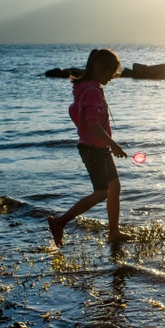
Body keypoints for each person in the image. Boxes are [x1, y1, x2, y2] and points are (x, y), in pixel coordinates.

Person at [48, 48, 130, 246]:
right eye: (111, 71)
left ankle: (113, 232)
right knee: (102, 192)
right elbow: (93, 124)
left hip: (97, 147)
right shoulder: (92, 91)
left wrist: (99, 140)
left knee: (114, 187)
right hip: (93, 149)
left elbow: (75, 112)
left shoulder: (87, 88)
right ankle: (60, 222)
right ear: (98, 68)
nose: (113, 76)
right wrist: (114, 145)